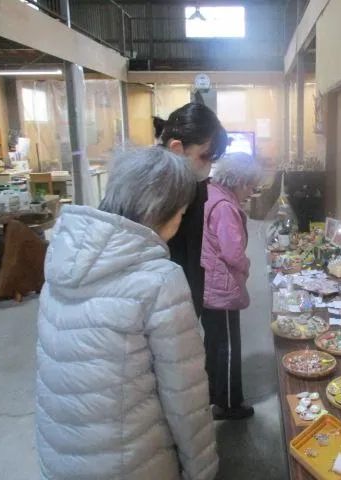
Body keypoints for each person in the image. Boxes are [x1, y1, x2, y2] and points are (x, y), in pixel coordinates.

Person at [35, 146, 218, 480]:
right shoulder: (160, 280)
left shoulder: (60, 262)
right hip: (130, 463)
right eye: (181, 213)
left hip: (59, 457)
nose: (180, 221)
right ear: (159, 210)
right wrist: (201, 469)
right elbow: (184, 397)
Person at [201, 152, 261, 420]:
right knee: (227, 346)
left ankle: (213, 392)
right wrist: (246, 266)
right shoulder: (225, 207)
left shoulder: (211, 193)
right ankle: (227, 404)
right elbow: (233, 252)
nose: (251, 192)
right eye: (250, 186)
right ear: (238, 181)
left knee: (214, 342)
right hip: (221, 288)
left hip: (209, 283)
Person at [155, 103, 228, 317]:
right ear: (177, 148)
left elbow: (195, 245)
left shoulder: (194, 182)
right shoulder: (148, 187)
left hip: (186, 292)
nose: (208, 166)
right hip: (158, 300)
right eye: (204, 156)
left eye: (212, 159)